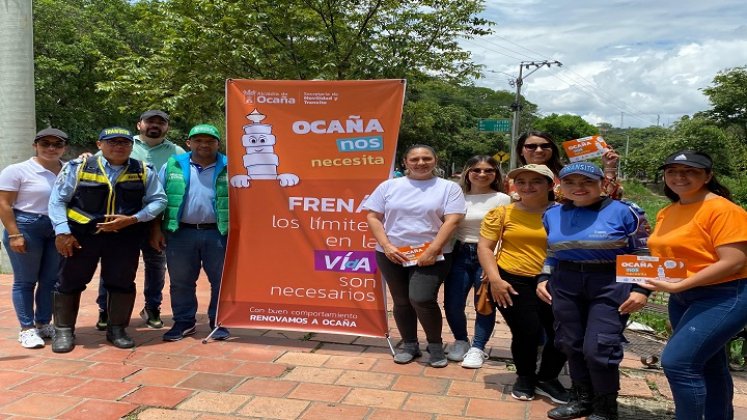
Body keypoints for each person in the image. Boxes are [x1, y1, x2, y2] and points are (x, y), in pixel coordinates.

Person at [537, 162, 649, 420]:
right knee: (570, 342)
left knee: (600, 347)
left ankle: (605, 407)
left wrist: (641, 289)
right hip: (566, 282)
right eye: (571, 182)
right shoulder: (552, 213)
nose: (579, 188)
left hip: (610, 282)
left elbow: (643, 251)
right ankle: (581, 399)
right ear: (560, 186)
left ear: (602, 184)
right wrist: (544, 276)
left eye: (587, 181)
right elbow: (553, 250)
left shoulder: (626, 212)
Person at [642, 150, 747, 420]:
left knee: (678, 362)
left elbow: (734, 261)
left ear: (708, 176)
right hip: (684, 297)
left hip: (724, 295)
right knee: (710, 364)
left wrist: (680, 285)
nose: (680, 177)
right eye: (673, 171)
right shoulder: (668, 211)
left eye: (690, 171)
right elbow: (668, 254)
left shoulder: (723, 210)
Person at [48, 127, 167, 353]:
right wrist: (63, 232)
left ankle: (117, 329)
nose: (119, 147)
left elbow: (158, 200)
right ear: (99, 144)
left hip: (124, 236)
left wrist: (134, 219)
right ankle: (63, 331)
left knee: (121, 282)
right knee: (69, 281)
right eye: (112, 142)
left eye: (124, 142)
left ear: (131, 146)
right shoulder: (78, 167)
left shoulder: (143, 170)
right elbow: (57, 200)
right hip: (81, 235)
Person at [364, 144, 466, 367]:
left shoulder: (449, 188)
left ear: (435, 160)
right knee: (401, 301)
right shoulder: (389, 186)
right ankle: (410, 344)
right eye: (415, 159)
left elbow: (453, 220)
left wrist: (433, 249)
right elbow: (373, 216)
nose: (421, 163)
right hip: (392, 254)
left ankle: (435, 345)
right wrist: (387, 246)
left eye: (426, 158)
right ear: (405, 162)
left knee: (421, 298)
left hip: (433, 254)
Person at [476, 164, 569, 404]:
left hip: (556, 281)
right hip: (512, 280)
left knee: (562, 334)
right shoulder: (502, 213)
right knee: (526, 332)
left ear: (551, 185)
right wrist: (495, 280)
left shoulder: (566, 213)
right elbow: (485, 247)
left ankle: (547, 377)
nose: (527, 187)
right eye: (521, 181)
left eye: (536, 181)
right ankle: (525, 377)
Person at [95, 109, 185, 331]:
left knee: (156, 266)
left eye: (160, 122)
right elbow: (97, 165)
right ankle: (105, 310)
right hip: (120, 219)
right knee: (114, 266)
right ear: (139, 125)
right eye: (150, 121)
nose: (155, 125)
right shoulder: (124, 144)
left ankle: (152, 308)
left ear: (167, 127)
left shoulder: (177, 152)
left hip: (158, 219)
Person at [150, 124, 230, 342]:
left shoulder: (230, 167)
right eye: (198, 140)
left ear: (218, 144)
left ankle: (218, 322)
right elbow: (159, 198)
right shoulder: (174, 164)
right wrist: (156, 229)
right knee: (181, 281)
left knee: (221, 281)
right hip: (180, 233)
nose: (204, 144)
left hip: (218, 233)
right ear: (189, 143)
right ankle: (184, 322)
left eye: (209, 141)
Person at [0, 128, 67, 349]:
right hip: (27, 226)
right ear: (35, 146)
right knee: (25, 280)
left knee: (50, 280)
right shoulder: (18, 170)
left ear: (64, 148)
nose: (51, 148)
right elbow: (4, 204)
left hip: (56, 227)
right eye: (45, 143)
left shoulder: (68, 170)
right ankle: (27, 328)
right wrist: (14, 234)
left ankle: (43, 323)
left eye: (57, 144)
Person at [442, 156, 510, 363]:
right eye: (476, 170)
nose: (482, 174)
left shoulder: (503, 199)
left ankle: (478, 347)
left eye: (489, 170)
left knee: (484, 303)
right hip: (460, 253)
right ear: (467, 172)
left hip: (489, 254)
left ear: (496, 174)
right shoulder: (457, 196)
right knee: (452, 303)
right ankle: (461, 341)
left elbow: (506, 231)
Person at [512, 131, 623, 200]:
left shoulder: (570, 175)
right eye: (531, 146)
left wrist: (610, 167)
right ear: (521, 151)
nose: (539, 150)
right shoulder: (510, 179)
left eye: (545, 146)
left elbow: (608, 197)